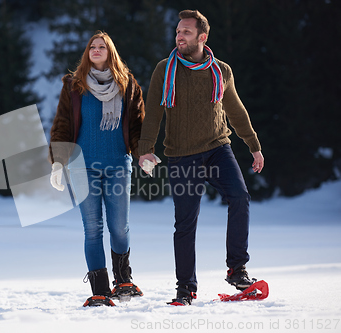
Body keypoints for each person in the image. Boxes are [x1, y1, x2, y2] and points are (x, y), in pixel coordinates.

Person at [138, 10, 265, 306]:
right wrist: (146, 148)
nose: (179, 36)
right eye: (178, 31)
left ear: (202, 37)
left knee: (240, 197)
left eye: (186, 32)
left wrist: (254, 145)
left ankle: (237, 268)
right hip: (182, 155)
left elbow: (235, 110)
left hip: (218, 148)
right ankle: (186, 287)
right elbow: (154, 113)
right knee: (185, 223)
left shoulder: (220, 70)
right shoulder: (164, 70)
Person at [49, 31, 145, 307]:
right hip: (82, 167)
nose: (96, 49)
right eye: (92, 46)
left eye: (102, 46)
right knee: (92, 229)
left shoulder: (127, 85)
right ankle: (100, 291)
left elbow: (137, 125)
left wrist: (142, 154)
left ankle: (123, 279)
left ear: (110, 52)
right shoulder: (74, 85)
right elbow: (63, 124)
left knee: (119, 227)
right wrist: (58, 161)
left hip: (118, 165)